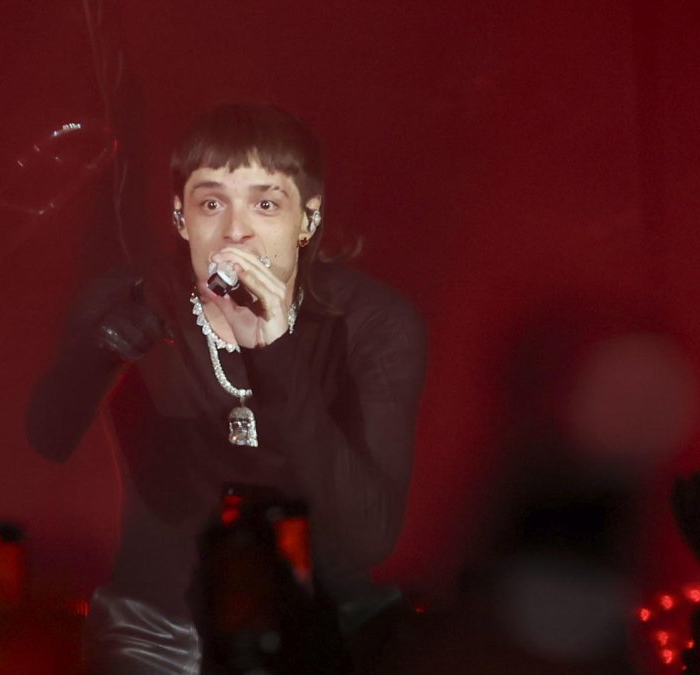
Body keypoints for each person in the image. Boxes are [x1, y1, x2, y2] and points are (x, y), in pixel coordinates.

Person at [27, 102, 427, 673]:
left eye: (266, 204)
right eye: (211, 203)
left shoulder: (373, 321)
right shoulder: (130, 300)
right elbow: (47, 438)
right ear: (181, 219)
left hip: (325, 618)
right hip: (161, 628)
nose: (236, 230)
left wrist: (276, 353)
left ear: (307, 220)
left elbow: (371, 537)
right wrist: (108, 343)